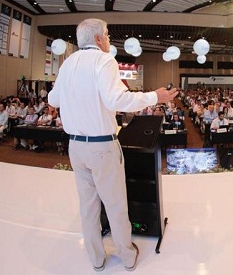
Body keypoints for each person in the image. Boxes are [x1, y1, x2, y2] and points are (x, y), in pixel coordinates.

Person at [48, 18, 177, 272]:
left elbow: (54, 99)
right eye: (107, 35)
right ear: (98, 39)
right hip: (101, 147)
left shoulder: (67, 63)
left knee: (88, 207)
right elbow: (118, 100)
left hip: (75, 147)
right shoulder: (104, 60)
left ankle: (96, 259)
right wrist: (155, 96)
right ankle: (127, 257)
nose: (108, 39)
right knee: (115, 204)